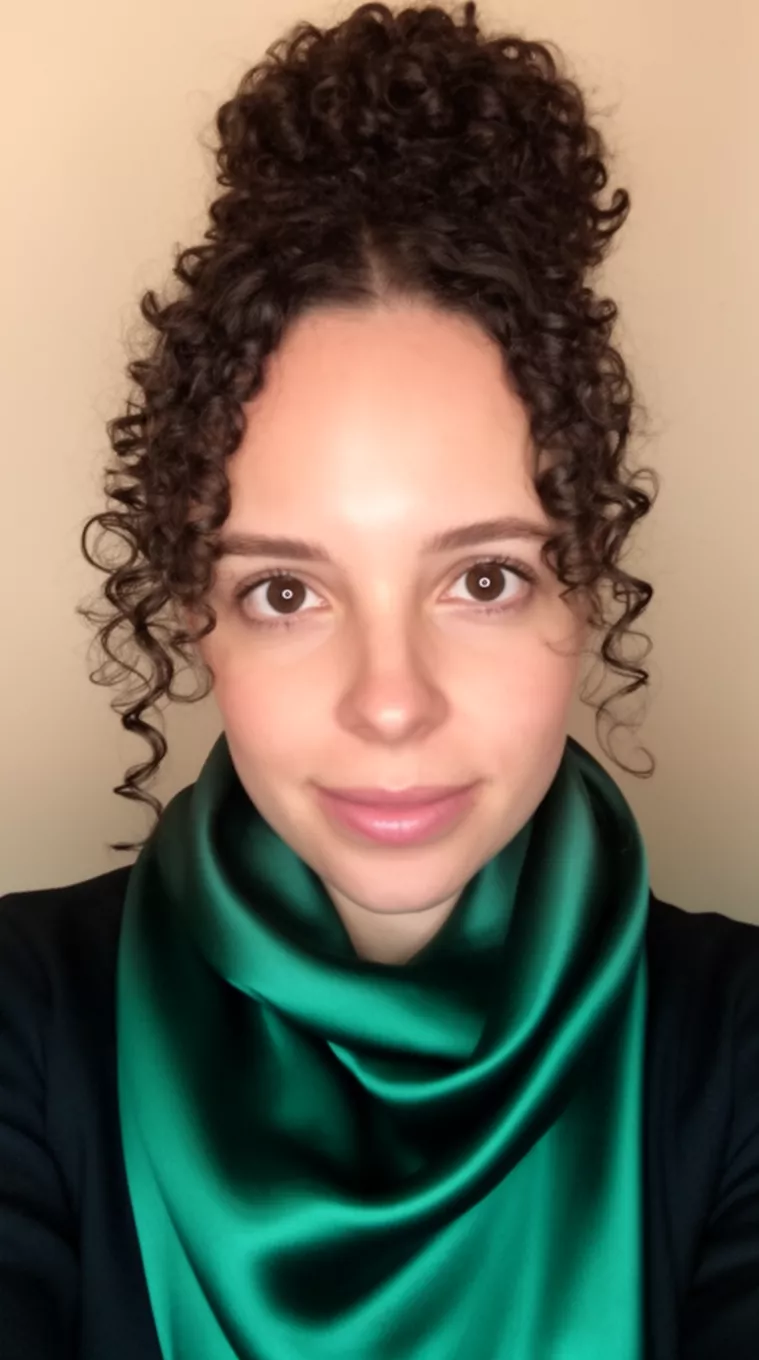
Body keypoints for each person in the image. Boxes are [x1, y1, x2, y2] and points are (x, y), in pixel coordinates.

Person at [1, 3, 757, 1357]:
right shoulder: (19, 1018)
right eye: (286, 593)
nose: (391, 701)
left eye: (484, 579)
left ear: (584, 584)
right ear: (197, 614)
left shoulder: (742, 1047)